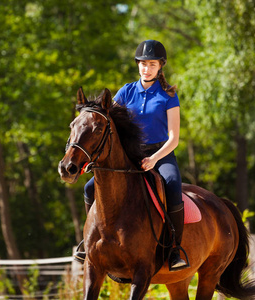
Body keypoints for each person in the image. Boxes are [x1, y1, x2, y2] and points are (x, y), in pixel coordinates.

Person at [75, 40, 188, 271]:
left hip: (161, 155)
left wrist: (155, 159)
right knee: (89, 188)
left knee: (173, 184)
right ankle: (88, 241)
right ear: (138, 65)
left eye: (152, 64)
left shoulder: (168, 95)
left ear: (160, 67)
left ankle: (175, 249)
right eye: (143, 64)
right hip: (131, 155)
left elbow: (174, 138)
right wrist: (92, 159)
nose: (147, 68)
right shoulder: (126, 91)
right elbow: (105, 125)